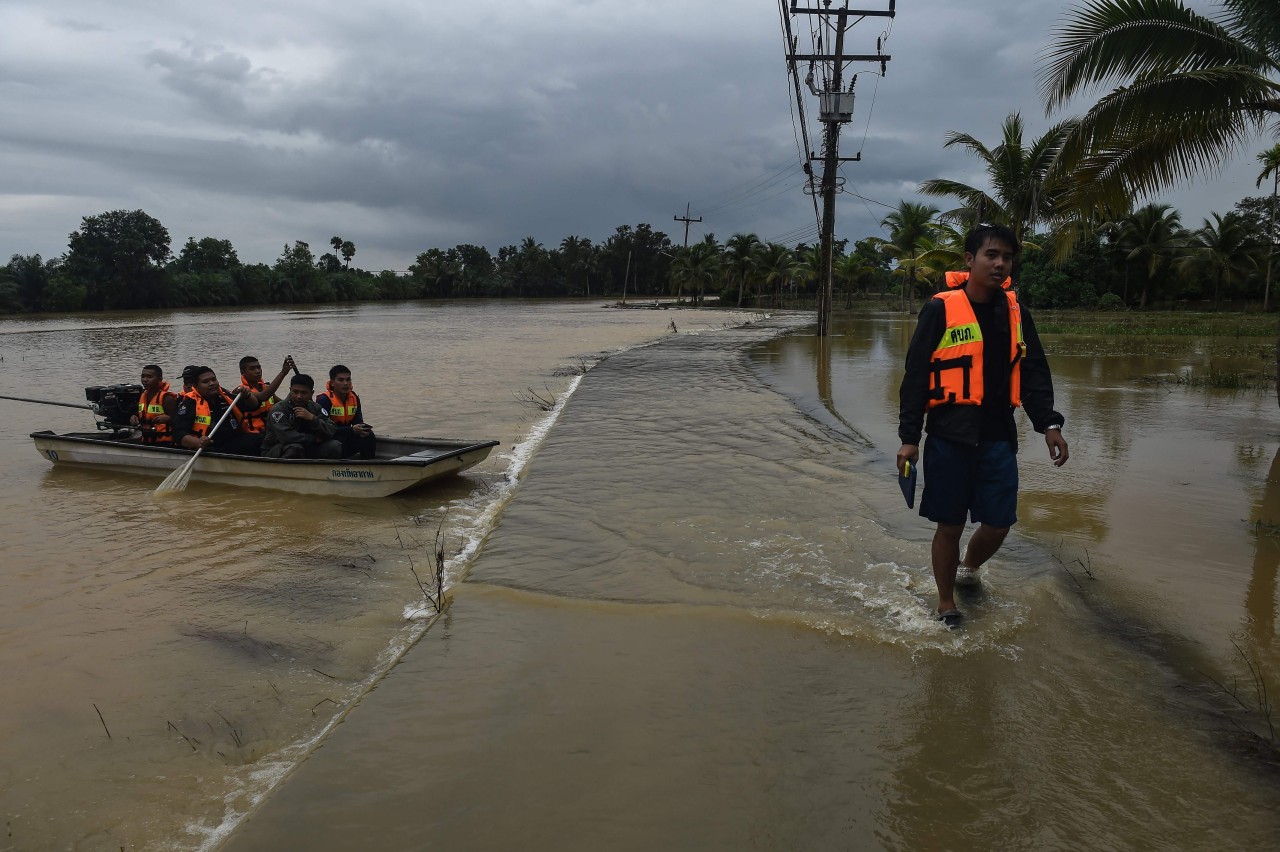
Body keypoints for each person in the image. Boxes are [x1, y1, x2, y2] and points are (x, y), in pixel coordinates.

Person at [896, 223, 1069, 628]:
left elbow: (1034, 373)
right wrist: (909, 438)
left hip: (997, 437)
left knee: (998, 522)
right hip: (948, 436)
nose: (999, 263)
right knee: (950, 524)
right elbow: (916, 375)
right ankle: (944, 601)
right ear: (970, 261)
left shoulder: (1016, 313)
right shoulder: (940, 308)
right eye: (991, 255)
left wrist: (1049, 425)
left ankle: (968, 568)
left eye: (1007, 257)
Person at [172, 366, 258, 455]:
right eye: (205, 382)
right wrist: (198, 442)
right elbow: (179, 434)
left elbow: (254, 406)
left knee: (259, 439)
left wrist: (248, 395)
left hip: (234, 441)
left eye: (213, 379)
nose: (212, 383)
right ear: (196, 386)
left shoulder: (226, 397)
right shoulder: (189, 404)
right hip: (211, 448)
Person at [260, 373, 342, 459]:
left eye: (304, 393)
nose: (299, 396)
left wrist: (313, 419)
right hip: (277, 449)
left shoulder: (315, 407)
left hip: (308, 447)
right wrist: (313, 439)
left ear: (311, 393)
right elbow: (286, 437)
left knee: (334, 446)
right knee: (295, 448)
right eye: (295, 392)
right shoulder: (279, 410)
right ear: (290, 390)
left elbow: (332, 429)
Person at [315, 364, 376, 459]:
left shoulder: (354, 398)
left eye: (348, 379)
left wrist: (363, 428)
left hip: (346, 435)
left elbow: (358, 421)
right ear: (332, 383)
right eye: (341, 380)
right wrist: (352, 430)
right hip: (328, 439)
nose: (345, 383)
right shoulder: (324, 400)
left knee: (369, 435)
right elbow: (324, 429)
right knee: (336, 445)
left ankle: (368, 466)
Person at [237, 355, 296, 448]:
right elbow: (263, 396)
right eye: (252, 369)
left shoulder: (266, 387)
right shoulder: (241, 391)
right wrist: (283, 373)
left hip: (271, 430)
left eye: (259, 367)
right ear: (243, 373)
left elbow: (283, 405)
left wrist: (297, 396)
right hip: (254, 435)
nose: (257, 371)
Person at [130, 364, 178, 444]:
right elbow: (142, 415)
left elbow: (179, 422)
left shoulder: (167, 399)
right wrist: (134, 417)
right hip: (145, 439)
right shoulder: (142, 396)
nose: (145, 380)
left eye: (149, 377)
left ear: (160, 379)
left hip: (165, 442)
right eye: (143, 376)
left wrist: (169, 419)